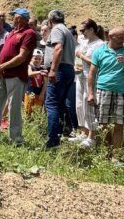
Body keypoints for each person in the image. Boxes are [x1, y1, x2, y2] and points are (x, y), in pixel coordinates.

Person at [86, 27, 124, 159]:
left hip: (122, 91)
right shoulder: (99, 51)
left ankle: (116, 157)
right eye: (120, 37)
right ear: (111, 37)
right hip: (103, 89)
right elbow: (92, 74)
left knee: (119, 124)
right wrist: (90, 93)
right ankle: (107, 152)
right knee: (102, 124)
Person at [0, 8, 37, 145]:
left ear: (20, 18)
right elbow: (4, 52)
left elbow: (21, 57)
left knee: (14, 108)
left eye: (14, 16)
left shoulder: (29, 33)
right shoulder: (13, 32)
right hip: (2, 73)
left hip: (15, 75)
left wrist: (3, 66)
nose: (11, 19)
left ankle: (15, 139)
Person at [44, 10, 77, 148]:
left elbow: (58, 48)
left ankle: (52, 141)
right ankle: (59, 135)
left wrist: (53, 70)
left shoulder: (57, 30)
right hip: (68, 69)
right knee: (61, 105)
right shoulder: (68, 31)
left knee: (51, 104)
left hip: (60, 70)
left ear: (51, 20)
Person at [72, 19, 105, 147]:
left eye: (83, 30)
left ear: (91, 30)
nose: (82, 33)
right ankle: (84, 133)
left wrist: (81, 56)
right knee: (79, 104)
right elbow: (78, 58)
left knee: (89, 104)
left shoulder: (100, 44)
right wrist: (76, 66)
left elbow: (96, 63)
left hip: (91, 78)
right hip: (80, 75)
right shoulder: (84, 42)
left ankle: (92, 136)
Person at [26, 49, 46, 115]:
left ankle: (36, 124)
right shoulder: (29, 66)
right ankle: (27, 124)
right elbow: (30, 73)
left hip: (39, 93)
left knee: (37, 111)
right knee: (28, 110)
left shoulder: (42, 69)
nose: (37, 60)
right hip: (29, 92)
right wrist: (39, 72)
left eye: (39, 59)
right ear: (31, 58)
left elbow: (46, 82)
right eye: (35, 58)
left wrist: (42, 93)